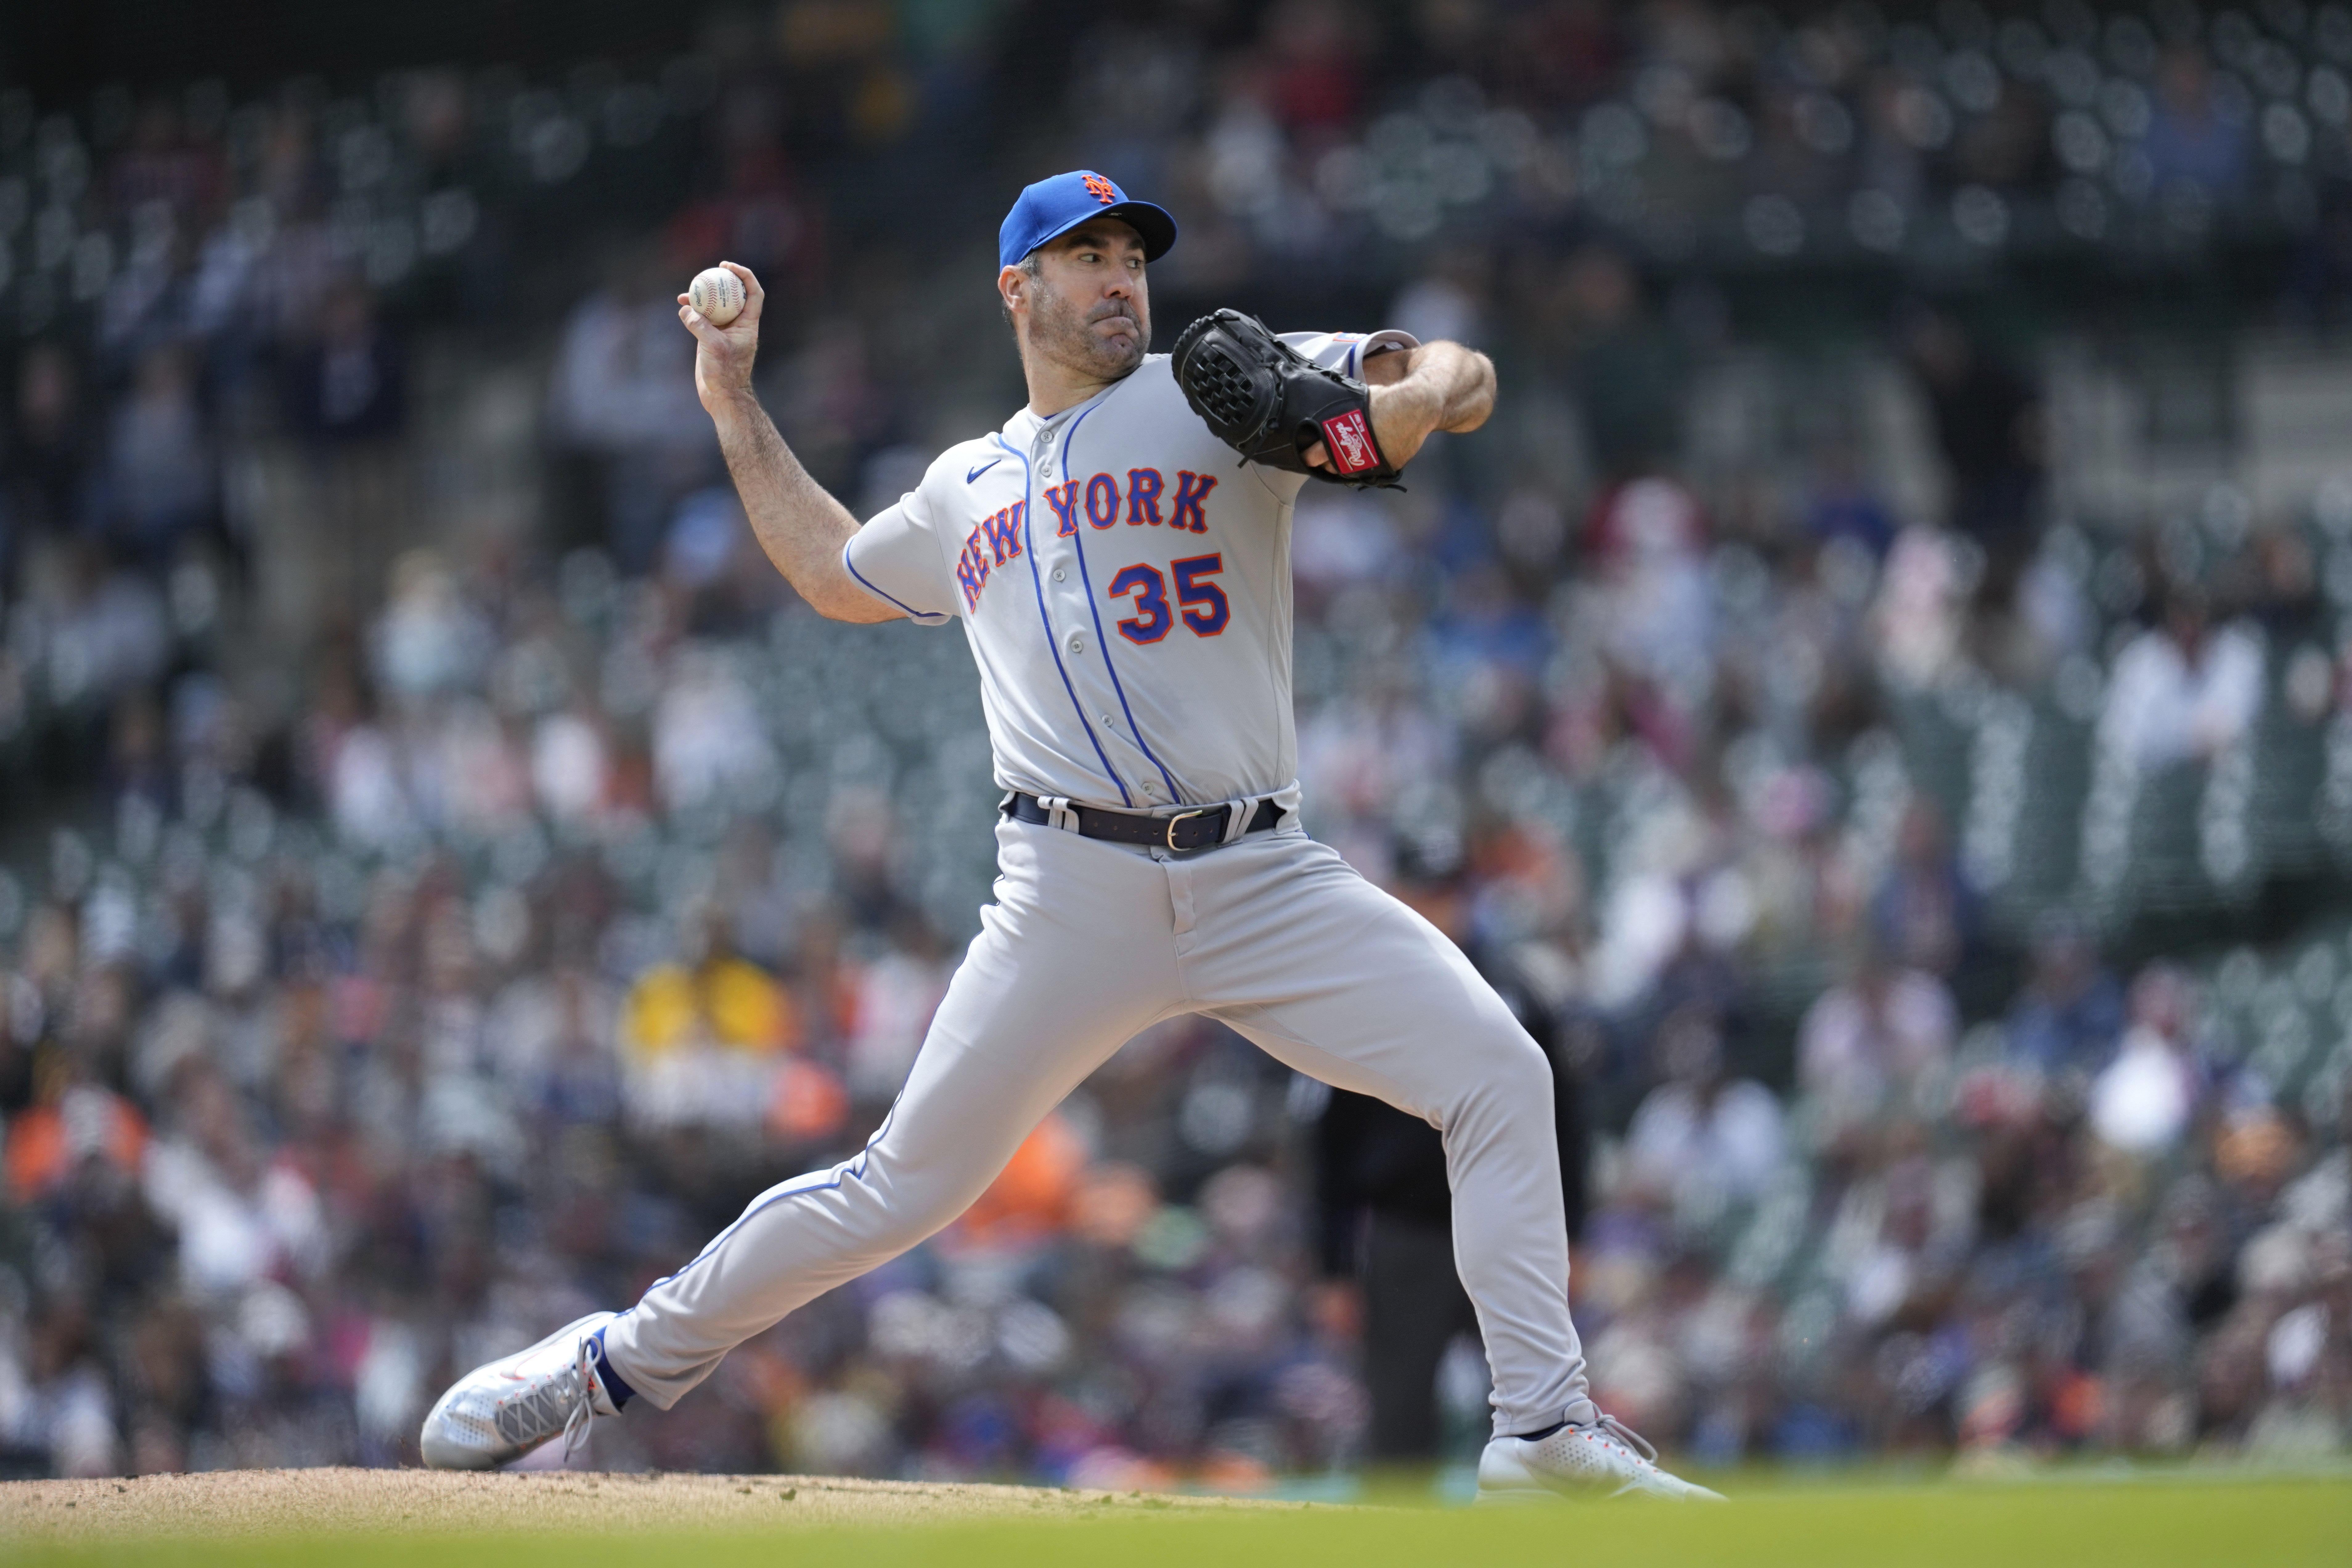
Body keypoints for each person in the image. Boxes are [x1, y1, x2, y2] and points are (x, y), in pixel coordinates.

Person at [419, 170, 1719, 1502]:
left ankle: (1544, 1428)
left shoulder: (1211, 384)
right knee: (897, 1190)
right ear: (1017, 290)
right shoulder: (965, 485)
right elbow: (834, 574)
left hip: (1262, 871)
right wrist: (733, 402)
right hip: (1067, 891)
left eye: (1132, 258)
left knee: (1499, 1068)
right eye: (1086, 256)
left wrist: (1425, 392)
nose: (1120, 281)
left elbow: (1431, 383)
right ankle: (607, 1367)